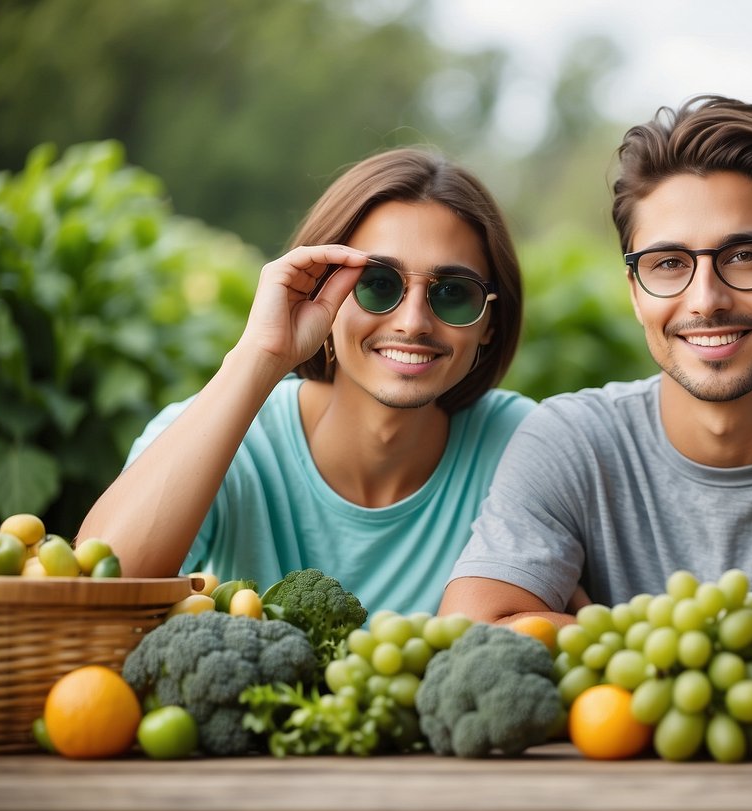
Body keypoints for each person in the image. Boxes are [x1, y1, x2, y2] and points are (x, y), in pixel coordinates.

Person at [440, 95, 752, 625]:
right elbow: (471, 633)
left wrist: (595, 630)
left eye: (744, 257)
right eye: (668, 263)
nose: (705, 300)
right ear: (635, 292)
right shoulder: (573, 444)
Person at [79, 147, 534, 614]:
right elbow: (93, 588)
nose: (413, 322)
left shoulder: (524, 442)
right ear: (320, 289)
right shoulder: (221, 435)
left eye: (454, 294)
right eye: (378, 283)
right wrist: (261, 355)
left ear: (490, 324)